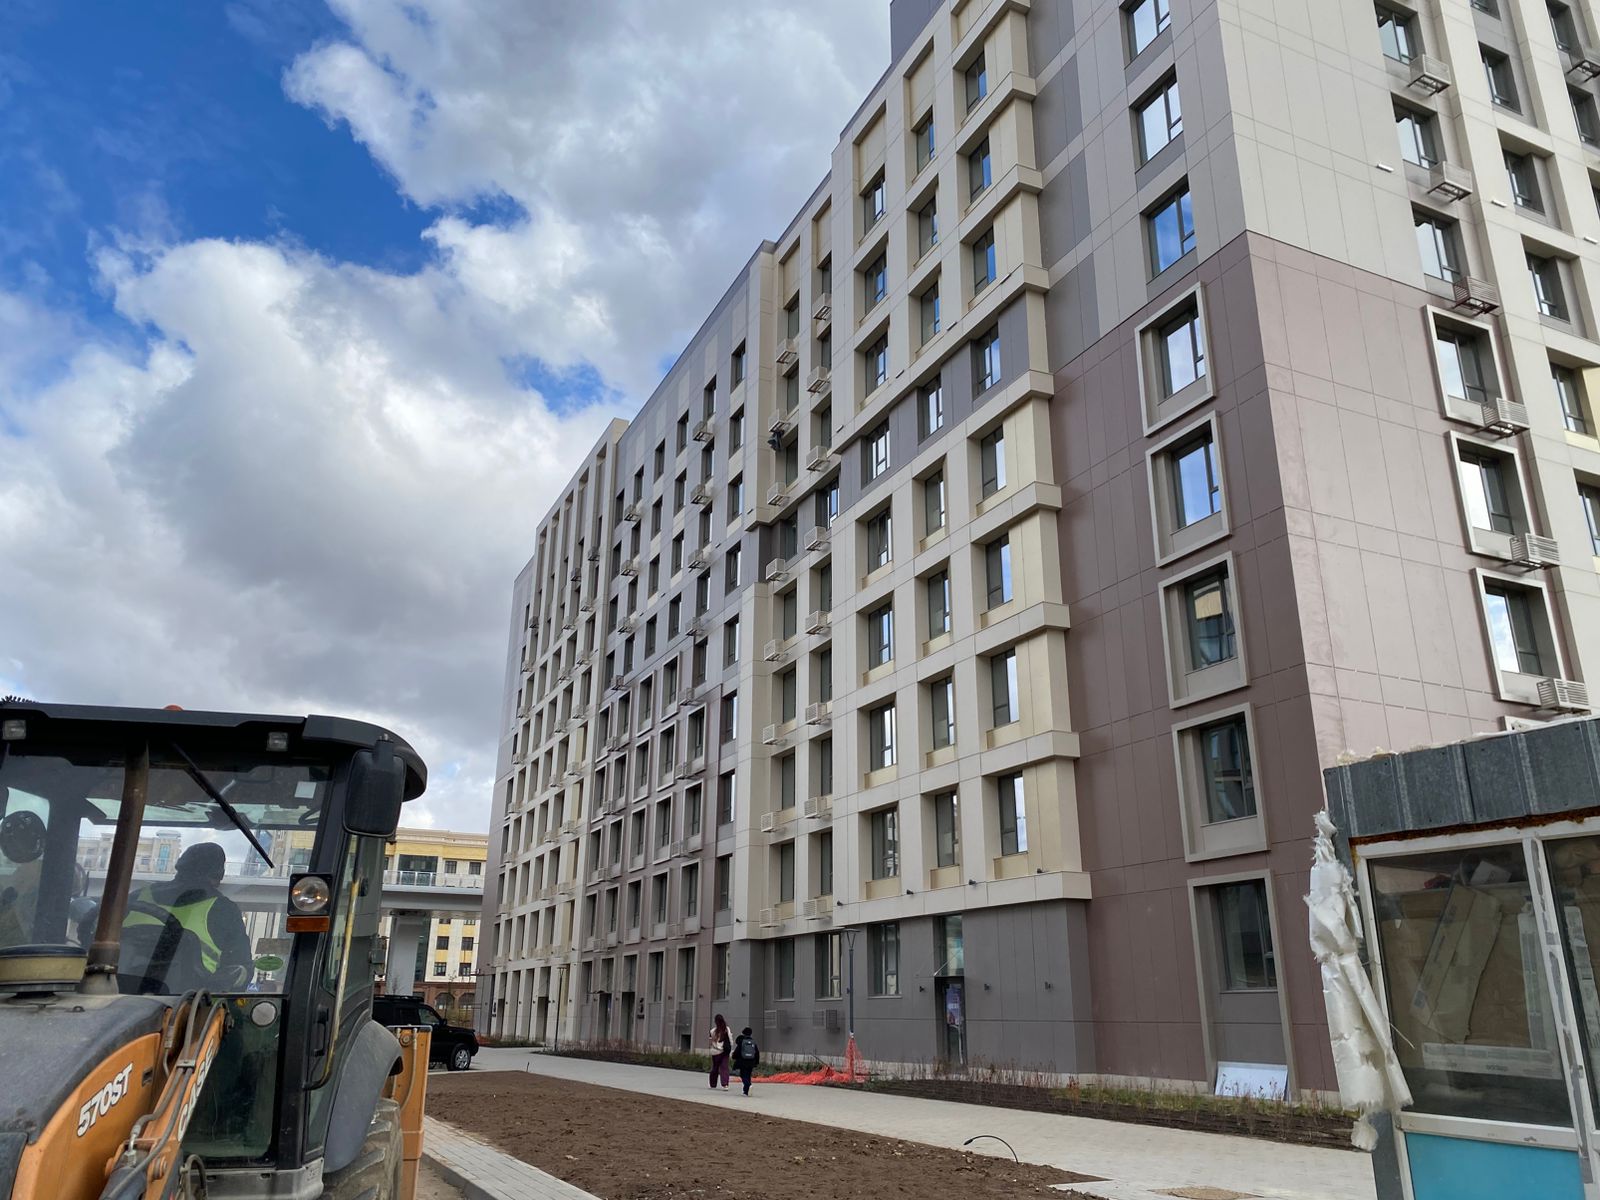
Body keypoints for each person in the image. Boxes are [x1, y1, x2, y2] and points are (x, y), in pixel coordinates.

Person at [120, 842, 253, 992]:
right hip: (188, 1003)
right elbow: (241, 969)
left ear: (179, 867)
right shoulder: (224, 910)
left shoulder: (137, 897)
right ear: (219, 876)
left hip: (114, 994)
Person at [732, 1026, 760, 1096]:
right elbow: (757, 1052)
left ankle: (748, 1085)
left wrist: (734, 1057)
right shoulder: (753, 1042)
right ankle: (746, 1091)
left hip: (742, 1061)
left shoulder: (741, 1041)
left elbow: (737, 1051)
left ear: (743, 1033)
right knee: (748, 1075)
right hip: (751, 1061)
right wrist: (756, 1062)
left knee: (743, 1075)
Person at [708, 1013, 733, 1090]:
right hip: (725, 1051)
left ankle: (713, 1084)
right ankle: (725, 1084)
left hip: (715, 1052)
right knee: (724, 1067)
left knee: (715, 1068)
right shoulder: (727, 1029)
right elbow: (730, 1040)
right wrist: (730, 1047)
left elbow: (710, 1042)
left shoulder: (712, 1031)